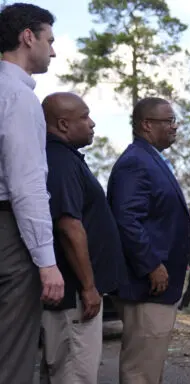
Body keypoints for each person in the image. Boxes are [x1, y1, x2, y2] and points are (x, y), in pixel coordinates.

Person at [39, 93, 127, 384]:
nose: (92, 124)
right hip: (75, 295)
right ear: (63, 124)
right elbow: (68, 226)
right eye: (85, 117)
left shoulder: (65, 158)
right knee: (75, 374)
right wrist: (89, 287)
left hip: (77, 293)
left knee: (67, 370)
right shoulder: (60, 162)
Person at [0, 4, 64, 383]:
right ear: (28, 37)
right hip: (10, 235)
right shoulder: (18, 96)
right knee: (12, 355)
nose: (53, 51)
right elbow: (26, 185)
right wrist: (46, 261)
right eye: (49, 40)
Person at [108, 97, 190, 384]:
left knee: (150, 365)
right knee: (140, 370)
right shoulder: (135, 162)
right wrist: (151, 264)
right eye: (168, 120)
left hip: (157, 285)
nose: (174, 126)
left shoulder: (150, 159)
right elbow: (126, 219)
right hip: (146, 285)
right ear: (146, 124)